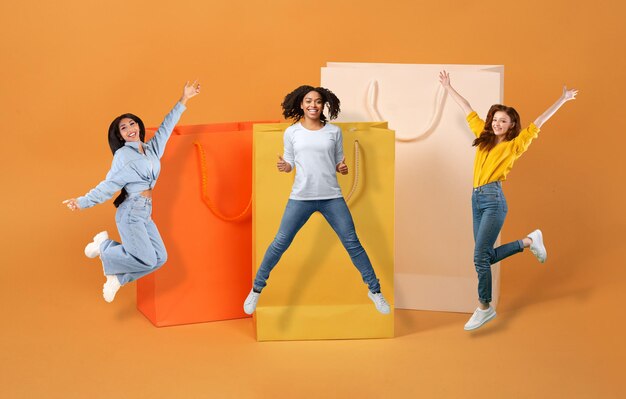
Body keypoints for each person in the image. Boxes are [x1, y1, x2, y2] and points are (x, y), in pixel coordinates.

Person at [438, 71, 578, 330]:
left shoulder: (516, 145)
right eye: (495, 119)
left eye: (504, 121)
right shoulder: (482, 137)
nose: (497, 123)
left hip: (493, 200)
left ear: (512, 125)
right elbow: (467, 107)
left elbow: (538, 122)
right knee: (484, 256)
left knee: (479, 257)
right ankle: (528, 241)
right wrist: (449, 87)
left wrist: (563, 99)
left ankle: (484, 307)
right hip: (476, 199)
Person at [243, 85, 391, 315]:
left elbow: (338, 163)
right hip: (301, 197)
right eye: (309, 101)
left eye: (318, 101)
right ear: (301, 104)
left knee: (353, 244)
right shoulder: (292, 132)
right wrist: (285, 166)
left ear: (324, 105)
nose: (313, 105)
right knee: (279, 243)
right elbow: (290, 161)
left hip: (331, 197)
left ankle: (375, 291)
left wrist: (342, 168)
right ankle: (256, 290)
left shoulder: (333, 132)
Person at [63, 81, 200, 302]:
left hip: (145, 212)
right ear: (119, 136)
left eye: (132, 124)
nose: (130, 129)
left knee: (159, 259)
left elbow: (166, 127)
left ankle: (118, 278)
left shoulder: (149, 149)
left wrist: (184, 99)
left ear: (139, 126)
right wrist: (82, 201)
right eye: (123, 128)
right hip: (131, 212)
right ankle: (104, 246)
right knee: (146, 259)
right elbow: (109, 185)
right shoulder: (123, 157)